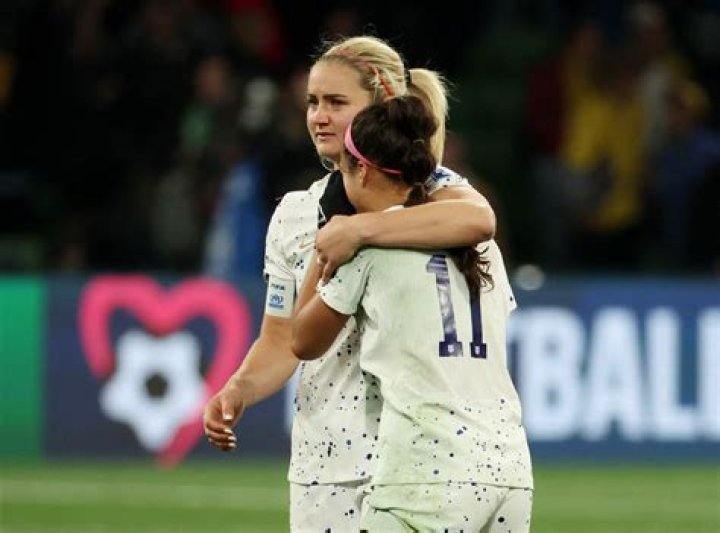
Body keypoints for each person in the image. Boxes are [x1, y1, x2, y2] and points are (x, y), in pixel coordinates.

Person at [203, 35, 497, 531]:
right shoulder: (295, 214)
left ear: (382, 106)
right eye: (312, 102)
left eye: (337, 103)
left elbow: (479, 219)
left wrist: (358, 229)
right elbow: (280, 340)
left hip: (417, 460)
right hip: (325, 465)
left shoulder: (434, 191)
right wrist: (239, 389)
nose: (319, 116)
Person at [292, 95, 533, 531]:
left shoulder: (366, 252)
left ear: (362, 170)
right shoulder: (484, 251)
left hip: (424, 472)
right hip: (509, 470)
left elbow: (302, 340)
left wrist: (330, 232)